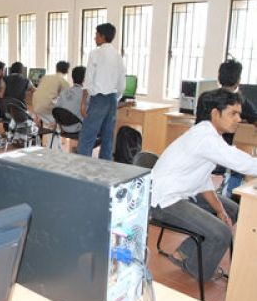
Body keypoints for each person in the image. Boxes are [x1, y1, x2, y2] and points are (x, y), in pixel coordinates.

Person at [151, 89, 257, 281]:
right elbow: (240, 162)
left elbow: (203, 179)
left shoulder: (211, 135)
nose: (239, 119)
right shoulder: (205, 138)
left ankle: (183, 253)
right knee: (222, 233)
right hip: (164, 201)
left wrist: (220, 210)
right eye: (233, 113)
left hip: (184, 192)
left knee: (232, 209)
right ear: (215, 114)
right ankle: (195, 269)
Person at [195, 59, 257, 198]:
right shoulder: (238, 101)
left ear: (219, 77)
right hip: (220, 159)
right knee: (240, 166)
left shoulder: (204, 97)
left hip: (200, 157)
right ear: (238, 80)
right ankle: (231, 194)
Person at [77, 23, 125, 159]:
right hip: (112, 99)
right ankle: (105, 169)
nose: (94, 38)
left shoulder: (95, 54)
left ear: (102, 36)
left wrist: (83, 103)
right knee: (108, 137)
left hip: (99, 99)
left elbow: (88, 80)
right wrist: (117, 97)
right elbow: (122, 82)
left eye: (96, 35)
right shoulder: (118, 56)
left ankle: (81, 167)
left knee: (87, 136)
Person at [32, 61, 70, 125]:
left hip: (35, 106)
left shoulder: (46, 77)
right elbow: (67, 99)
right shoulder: (64, 82)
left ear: (56, 69)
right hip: (46, 109)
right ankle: (57, 129)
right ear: (67, 71)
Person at [55, 66, 86, 133]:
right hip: (78, 127)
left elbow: (56, 109)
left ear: (72, 78)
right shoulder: (85, 94)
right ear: (84, 79)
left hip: (64, 127)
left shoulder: (63, 92)